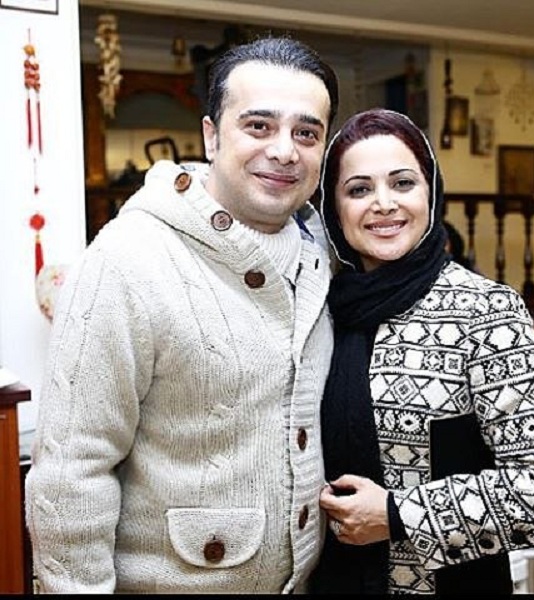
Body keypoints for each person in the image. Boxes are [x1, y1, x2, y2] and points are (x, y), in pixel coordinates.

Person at [25, 36, 339, 594]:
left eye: (306, 134)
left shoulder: (324, 257)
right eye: (259, 126)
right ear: (212, 136)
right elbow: (73, 471)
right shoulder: (128, 258)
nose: (284, 151)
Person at [309, 108, 534, 595]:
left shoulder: (485, 311)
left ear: (430, 193)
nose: (384, 204)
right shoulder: (318, 311)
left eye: (403, 183)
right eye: (359, 189)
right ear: (333, 208)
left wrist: (397, 515)